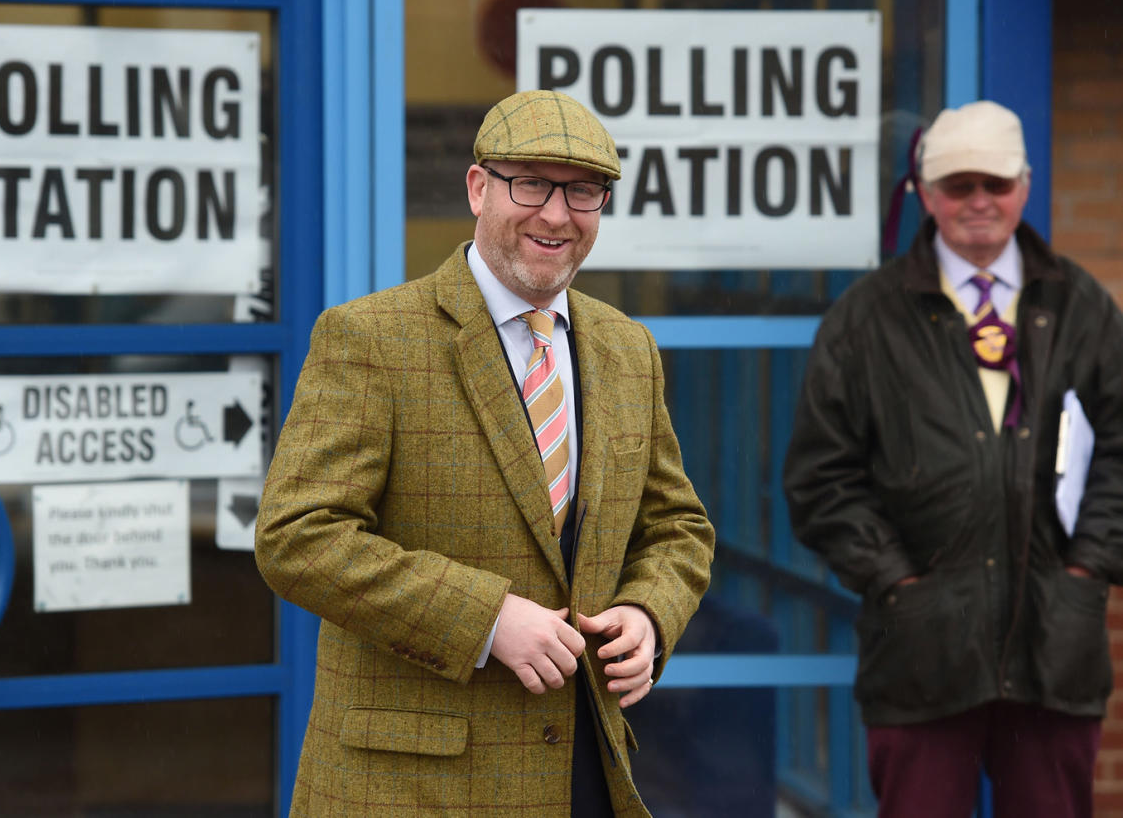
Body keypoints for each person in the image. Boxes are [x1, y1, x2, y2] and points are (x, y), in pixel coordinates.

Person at [255, 89, 715, 818]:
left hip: (583, 771)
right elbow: (296, 537)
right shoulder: (370, 337)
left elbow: (677, 528)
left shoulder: (628, 348)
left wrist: (650, 614)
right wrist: (486, 618)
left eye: (584, 191)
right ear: (477, 188)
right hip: (412, 786)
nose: (557, 214)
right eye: (530, 183)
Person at [783, 99, 1123, 818]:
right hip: (919, 660)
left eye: (994, 185)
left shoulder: (1082, 308)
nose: (978, 203)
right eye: (958, 185)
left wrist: (1085, 569)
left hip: (1053, 650)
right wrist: (901, 583)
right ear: (926, 194)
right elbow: (820, 481)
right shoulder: (865, 319)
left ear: (1024, 187)